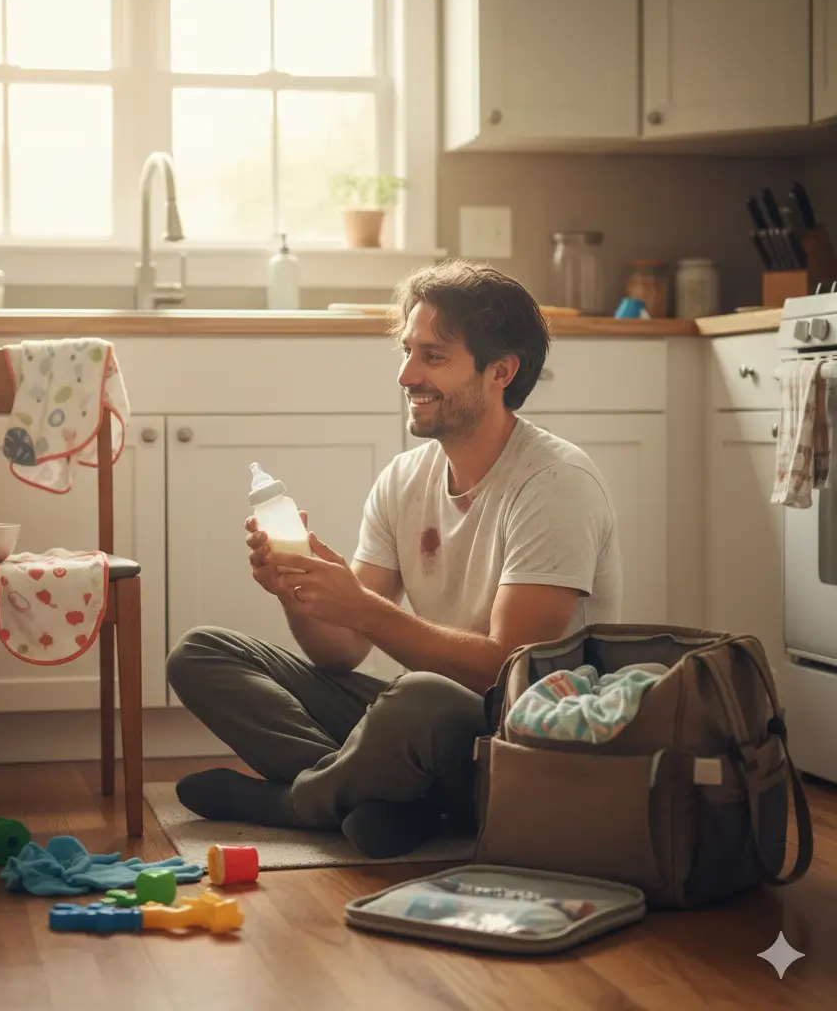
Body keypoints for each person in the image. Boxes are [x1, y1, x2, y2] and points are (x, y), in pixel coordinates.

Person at [166, 258, 623, 858]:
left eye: (433, 356)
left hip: (523, 739)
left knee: (416, 699)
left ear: (500, 372)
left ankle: (296, 803)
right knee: (201, 653)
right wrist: (298, 588)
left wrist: (365, 610)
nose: (408, 375)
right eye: (407, 352)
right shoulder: (405, 479)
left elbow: (510, 674)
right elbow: (340, 651)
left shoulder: (554, 481)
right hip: (425, 728)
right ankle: (379, 799)